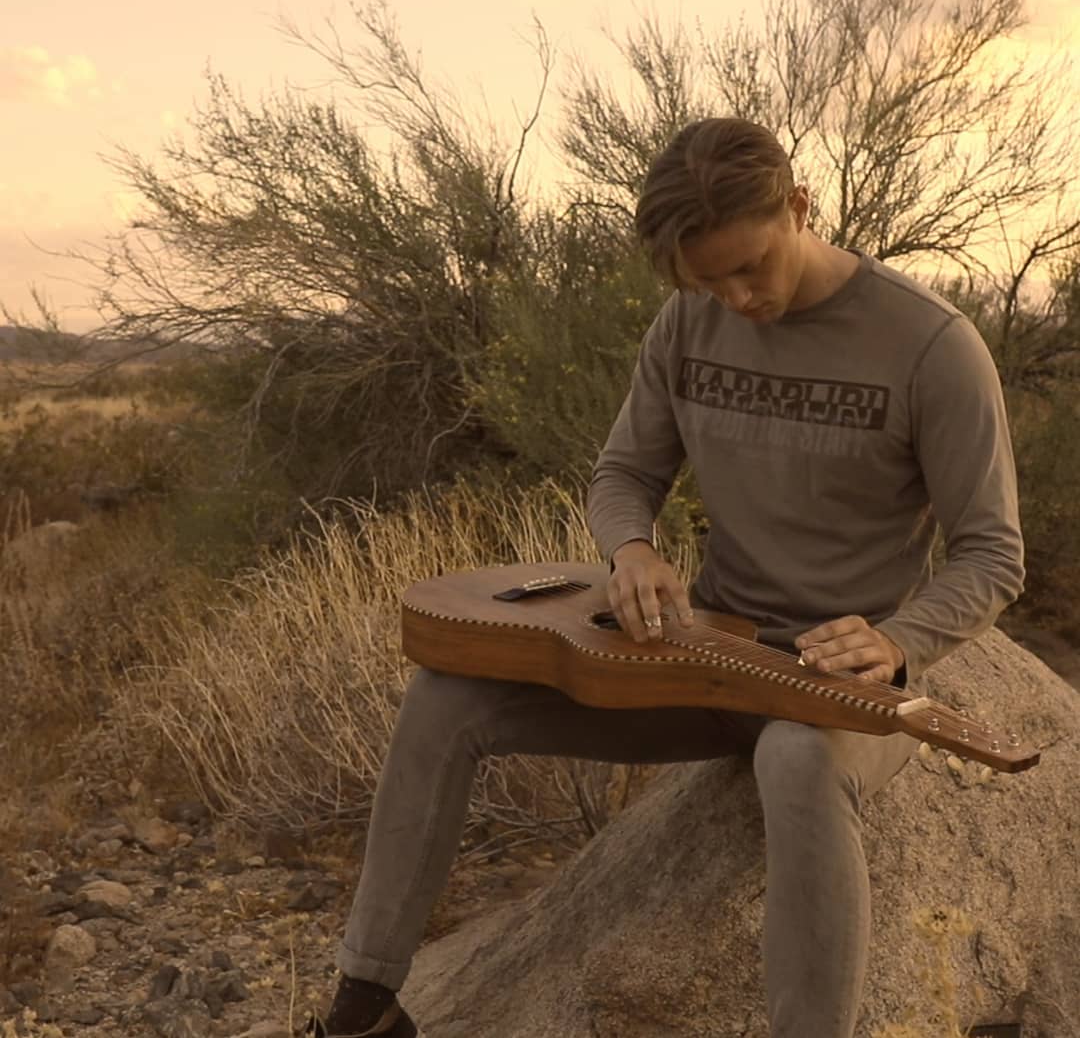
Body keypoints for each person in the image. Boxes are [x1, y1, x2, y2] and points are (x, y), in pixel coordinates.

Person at [307, 117, 1025, 1037]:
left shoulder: (931, 344)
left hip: (843, 687)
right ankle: (364, 1004)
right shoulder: (689, 320)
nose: (735, 297)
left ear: (800, 207)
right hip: (704, 657)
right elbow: (623, 475)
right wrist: (633, 551)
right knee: (447, 696)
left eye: (750, 267)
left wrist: (898, 641)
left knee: (798, 757)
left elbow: (992, 550)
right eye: (705, 280)